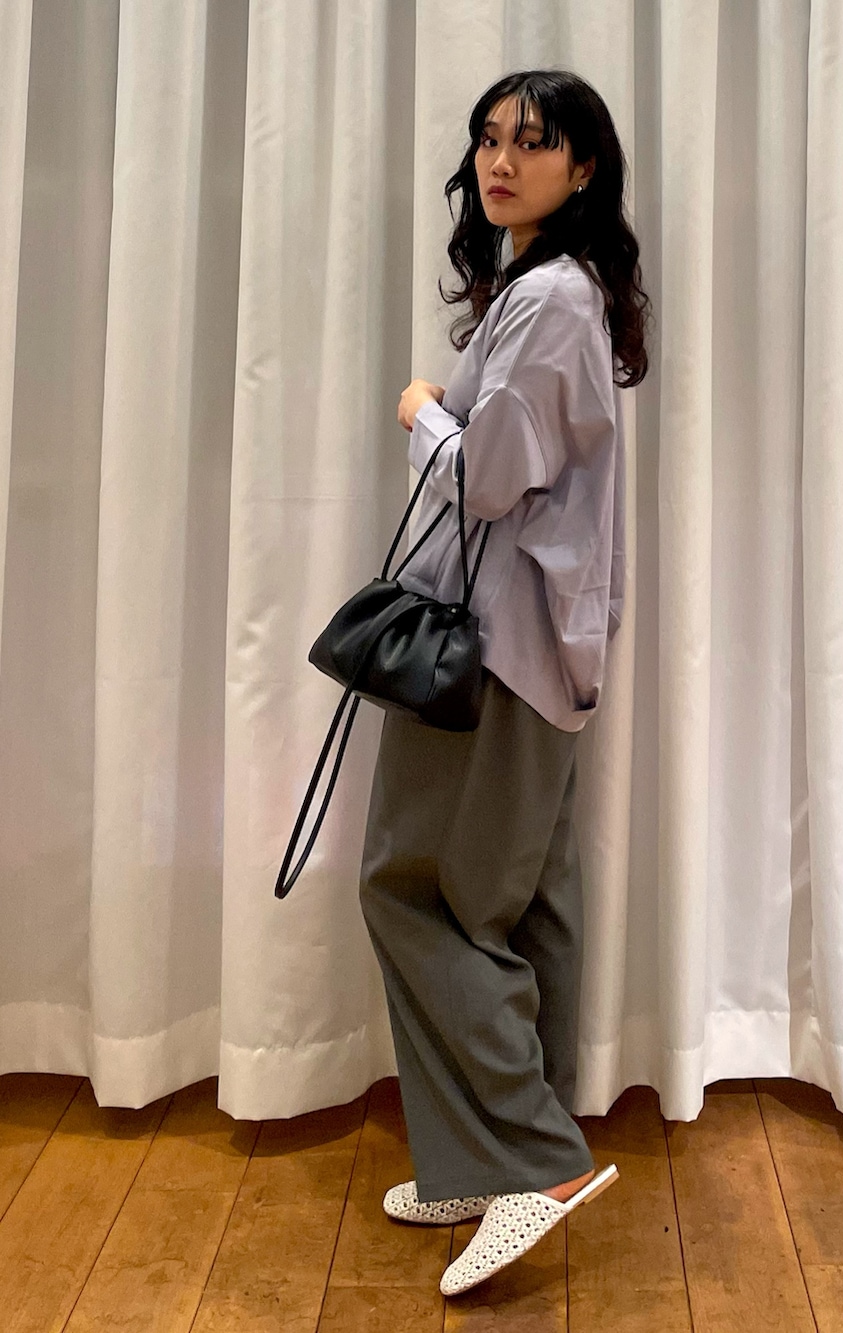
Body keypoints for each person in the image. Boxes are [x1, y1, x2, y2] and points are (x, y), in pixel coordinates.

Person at [358, 67, 652, 1297]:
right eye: (488, 138)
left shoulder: (546, 299)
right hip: (537, 647)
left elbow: (488, 479)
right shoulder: (558, 292)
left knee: (418, 891)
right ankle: (485, 1159)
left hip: (493, 651)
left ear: (582, 168)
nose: (500, 160)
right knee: (522, 903)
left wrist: (423, 412)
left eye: (531, 142)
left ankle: (530, 1159)